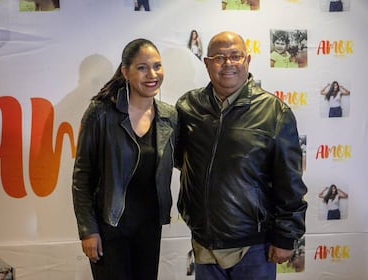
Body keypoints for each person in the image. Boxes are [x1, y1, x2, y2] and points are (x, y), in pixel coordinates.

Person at [175, 31, 308, 280]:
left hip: (254, 248)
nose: (228, 64)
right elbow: (178, 159)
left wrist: (287, 236)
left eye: (235, 56)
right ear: (206, 63)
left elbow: (289, 181)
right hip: (204, 244)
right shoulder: (188, 107)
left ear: (247, 60)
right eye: (219, 57)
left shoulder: (274, 111)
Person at [72, 38, 177, 280]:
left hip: (149, 227)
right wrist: (88, 230)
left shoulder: (169, 117)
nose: (152, 74)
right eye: (142, 67)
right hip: (110, 227)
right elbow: (82, 178)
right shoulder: (100, 113)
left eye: (157, 66)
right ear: (125, 72)